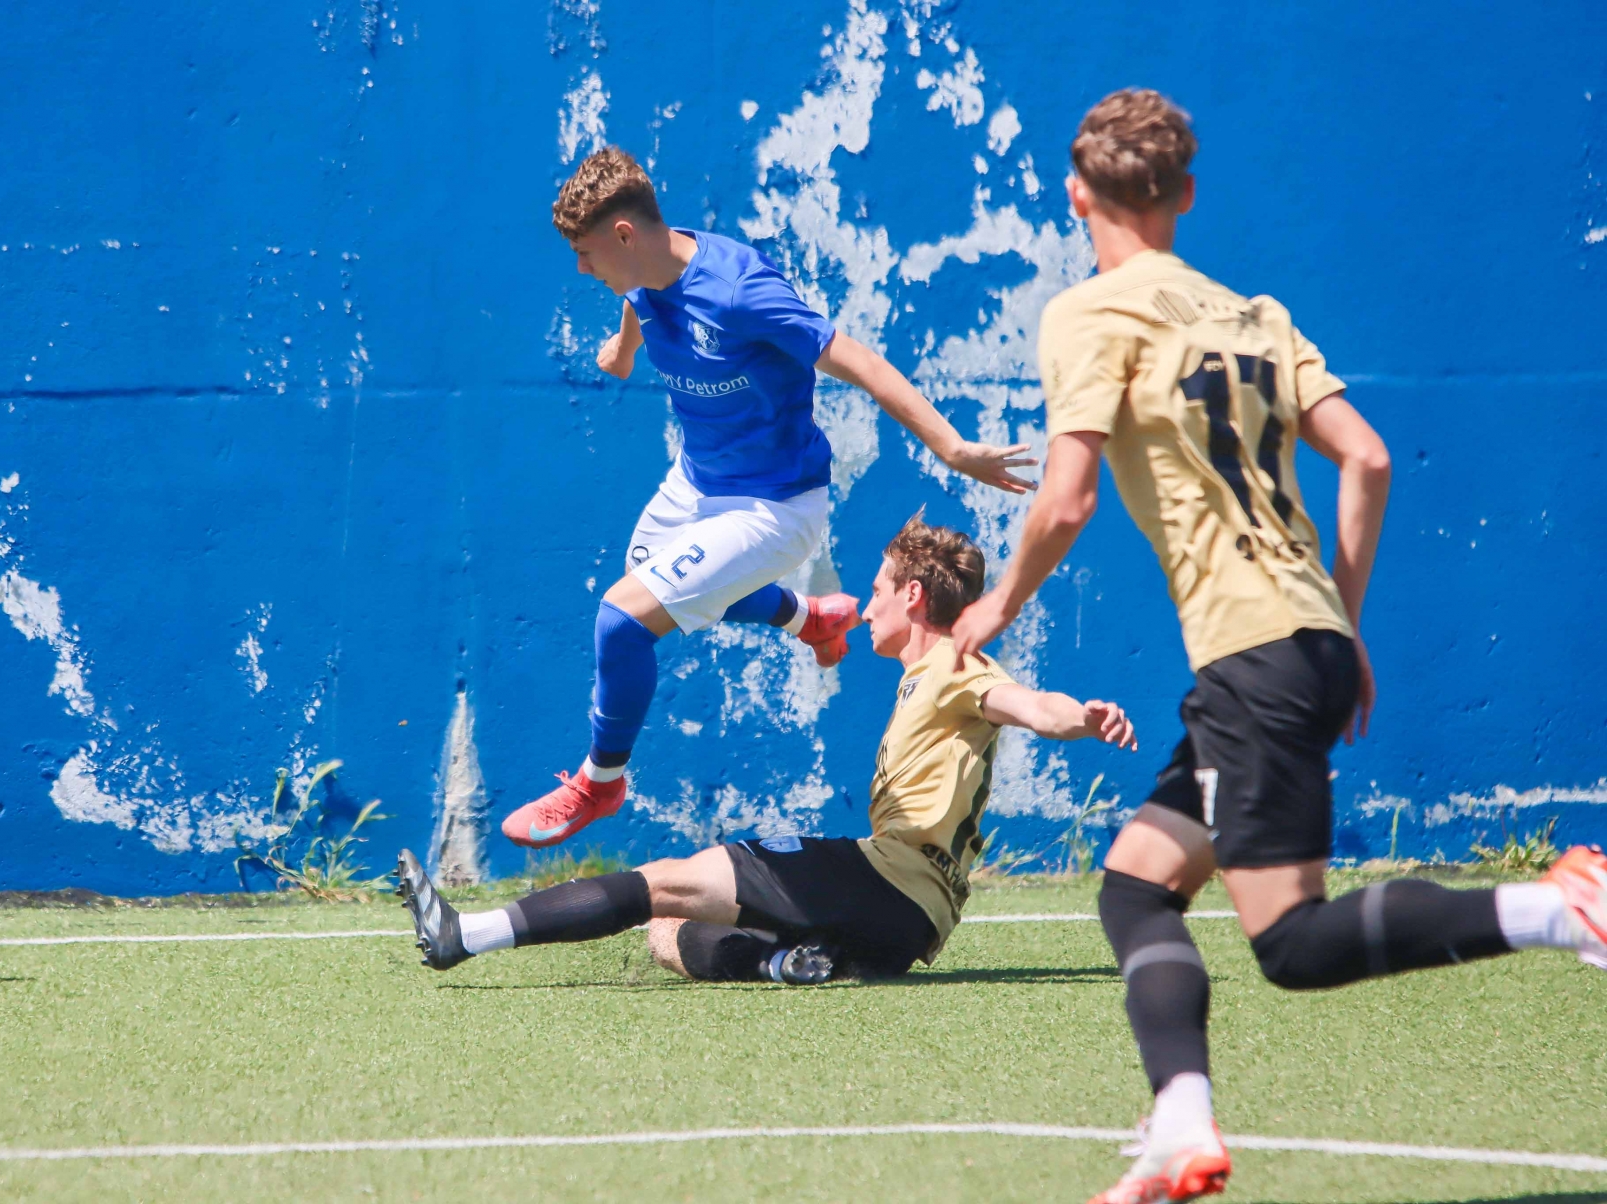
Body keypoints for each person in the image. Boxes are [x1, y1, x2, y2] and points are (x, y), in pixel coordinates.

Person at [946, 88, 1607, 1204]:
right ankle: (1179, 1126)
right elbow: (1369, 459)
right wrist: (1339, 623)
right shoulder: (1253, 313)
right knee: (1136, 884)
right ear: (1184, 194)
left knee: (1290, 943)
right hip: (1293, 645)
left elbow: (1063, 499)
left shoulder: (1088, 314)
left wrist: (995, 605)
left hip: (1252, 659)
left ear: (1075, 196)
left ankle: (1558, 907)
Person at [500, 146, 1038, 850]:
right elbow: (641, 299)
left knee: (621, 622)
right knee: (650, 585)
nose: (580, 268)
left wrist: (953, 449)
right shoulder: (645, 265)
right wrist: (623, 350)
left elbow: (862, 362)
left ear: (624, 234)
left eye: (585, 253)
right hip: (694, 482)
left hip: (774, 509)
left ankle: (600, 783)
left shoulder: (740, 292)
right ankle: (810, 617)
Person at [402, 513, 1138, 982]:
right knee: (668, 933)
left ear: (913, 596)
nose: (868, 607)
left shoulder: (954, 662)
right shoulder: (929, 676)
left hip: (887, 882)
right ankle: (788, 963)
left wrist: (1081, 717)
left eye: (880, 590)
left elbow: (1030, 707)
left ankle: (464, 935)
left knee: (662, 883)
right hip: (909, 926)